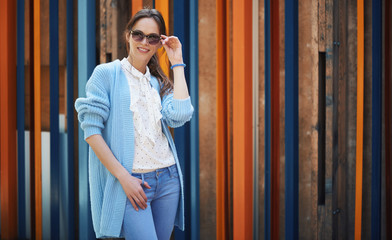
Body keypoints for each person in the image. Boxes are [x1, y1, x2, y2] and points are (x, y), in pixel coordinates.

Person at [75, 8, 193, 239]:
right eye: (138, 34)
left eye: (152, 38)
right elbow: (91, 131)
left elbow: (180, 115)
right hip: (133, 182)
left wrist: (177, 62)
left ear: (160, 43)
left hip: (168, 179)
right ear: (128, 35)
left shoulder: (158, 82)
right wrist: (124, 177)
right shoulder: (106, 74)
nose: (144, 42)